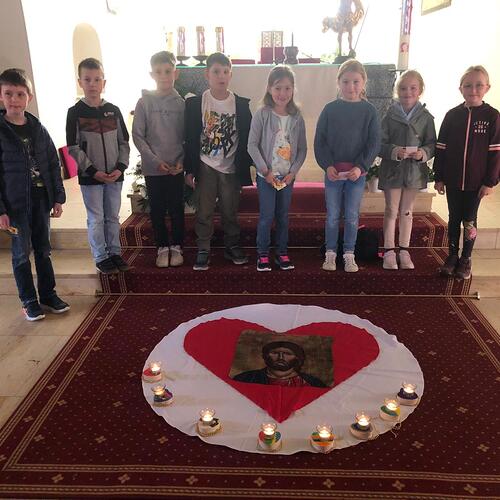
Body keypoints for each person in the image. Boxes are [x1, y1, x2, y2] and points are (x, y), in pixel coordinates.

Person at [0, 68, 69, 320]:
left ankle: (48, 295)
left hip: (41, 200)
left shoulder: (38, 129)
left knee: (43, 250)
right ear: (1, 96)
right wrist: (1, 210)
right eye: (9, 93)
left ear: (29, 97)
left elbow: (52, 163)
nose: (14, 99)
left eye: (20, 94)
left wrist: (58, 197)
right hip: (15, 205)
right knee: (21, 254)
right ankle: (29, 300)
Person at [184, 52, 253, 271]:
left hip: (230, 166)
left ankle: (231, 245)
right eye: (216, 72)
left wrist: (249, 165)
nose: (221, 76)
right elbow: (189, 137)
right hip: (205, 164)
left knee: (229, 210)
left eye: (225, 72)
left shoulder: (240, 104)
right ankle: (203, 247)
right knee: (204, 210)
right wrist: (189, 169)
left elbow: (248, 137)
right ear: (207, 74)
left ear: (230, 75)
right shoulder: (196, 103)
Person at [314, 59, 380, 272]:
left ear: (364, 82)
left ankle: (349, 253)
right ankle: (331, 252)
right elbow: (320, 140)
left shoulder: (369, 111)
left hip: (356, 174)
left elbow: (374, 142)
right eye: (346, 82)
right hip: (334, 172)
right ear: (338, 83)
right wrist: (327, 165)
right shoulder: (330, 109)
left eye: (355, 82)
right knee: (333, 215)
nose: (351, 87)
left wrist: (360, 167)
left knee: (352, 215)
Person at [434, 65, 499, 280]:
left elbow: (496, 152)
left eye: (479, 85)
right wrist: (439, 176)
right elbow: (441, 147)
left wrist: (490, 181)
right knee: (453, 219)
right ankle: (452, 256)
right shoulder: (452, 115)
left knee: (469, 220)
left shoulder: (492, 117)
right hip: (453, 180)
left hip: (476, 183)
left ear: (487, 88)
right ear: (460, 88)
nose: (473, 89)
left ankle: (466, 258)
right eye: (468, 85)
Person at [66, 58, 130, 274]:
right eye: (87, 79)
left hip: (115, 175)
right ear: (80, 82)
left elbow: (123, 142)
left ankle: (115, 252)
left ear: (104, 82)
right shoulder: (75, 112)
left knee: (112, 217)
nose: (92, 84)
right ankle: (101, 256)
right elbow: (73, 147)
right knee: (96, 218)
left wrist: (120, 167)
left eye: (97, 79)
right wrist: (93, 171)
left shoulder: (113, 110)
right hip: (91, 177)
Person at [248, 65, 307, 271]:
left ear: (293, 89)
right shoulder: (262, 114)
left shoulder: (297, 117)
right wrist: (265, 171)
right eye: (278, 88)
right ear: (269, 88)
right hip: (267, 176)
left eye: (287, 88)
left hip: (287, 177)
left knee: (283, 216)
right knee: (266, 216)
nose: (283, 93)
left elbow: (302, 149)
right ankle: (263, 254)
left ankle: (282, 252)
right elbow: (252, 145)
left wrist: (293, 172)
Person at [379, 70, 436, 270]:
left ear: (420, 90)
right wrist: (394, 151)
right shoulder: (389, 115)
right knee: (391, 209)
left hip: (413, 172)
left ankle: (404, 250)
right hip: (392, 171)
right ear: (397, 90)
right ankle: (389, 251)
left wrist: (423, 153)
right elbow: (379, 143)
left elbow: (432, 143)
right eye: (403, 88)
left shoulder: (426, 118)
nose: (408, 92)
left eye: (413, 88)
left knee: (407, 211)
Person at [132, 51, 185, 268]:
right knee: (157, 209)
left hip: (176, 168)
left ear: (175, 73)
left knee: (176, 208)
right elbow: (138, 136)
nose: (164, 76)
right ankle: (162, 246)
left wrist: (182, 161)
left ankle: (177, 246)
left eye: (168, 71)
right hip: (154, 168)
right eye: (159, 72)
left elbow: (186, 136)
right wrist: (154, 161)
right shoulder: (144, 102)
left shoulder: (181, 103)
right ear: (152, 74)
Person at [232, 341, 327, 387]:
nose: (281, 357)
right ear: (265, 356)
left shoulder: (313, 383)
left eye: (287, 354)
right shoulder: (245, 378)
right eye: (275, 353)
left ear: (297, 358)